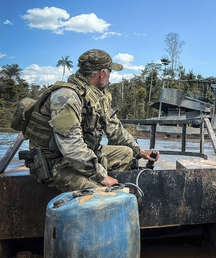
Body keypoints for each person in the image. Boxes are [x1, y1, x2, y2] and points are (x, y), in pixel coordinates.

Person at [24, 49, 159, 192]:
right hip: (56, 164)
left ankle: (104, 181)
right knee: (109, 196)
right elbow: (71, 147)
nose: (109, 77)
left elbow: (115, 129)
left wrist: (140, 151)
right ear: (102, 73)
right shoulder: (66, 97)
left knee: (126, 153)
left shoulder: (96, 95)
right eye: (109, 72)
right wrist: (100, 176)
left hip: (80, 157)